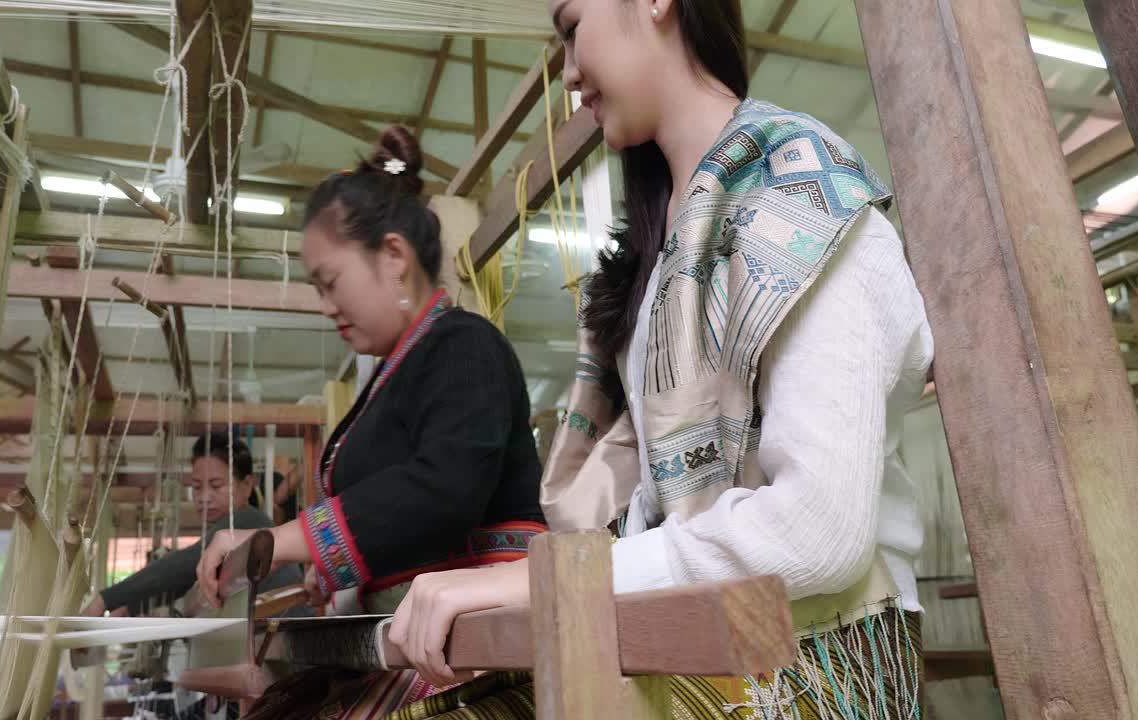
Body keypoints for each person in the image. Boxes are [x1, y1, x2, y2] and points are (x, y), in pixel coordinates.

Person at [381, 1, 935, 718]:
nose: (570, 71)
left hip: (814, 656)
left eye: (572, 27)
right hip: (690, 642)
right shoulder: (657, 261)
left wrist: (543, 583)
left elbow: (819, 532)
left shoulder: (800, 192)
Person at [195, 126, 547, 716]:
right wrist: (336, 576)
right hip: (411, 639)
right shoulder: (394, 373)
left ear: (393, 257)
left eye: (331, 282)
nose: (326, 305)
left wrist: (280, 540)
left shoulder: (466, 347)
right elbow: (396, 519)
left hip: (474, 649)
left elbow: (444, 491)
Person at [80, 431, 304, 618]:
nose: (204, 497)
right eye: (197, 487)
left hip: (288, 634)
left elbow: (186, 563)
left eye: (216, 486)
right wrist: (131, 606)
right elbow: (186, 580)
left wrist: (104, 600)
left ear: (247, 485)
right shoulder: (233, 529)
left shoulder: (248, 520)